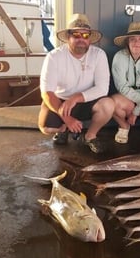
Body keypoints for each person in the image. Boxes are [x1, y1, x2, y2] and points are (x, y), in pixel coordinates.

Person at [38, 13, 114, 154]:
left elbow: (103, 89)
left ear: (90, 39)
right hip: (62, 101)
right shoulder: (54, 57)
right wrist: (66, 118)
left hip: (87, 100)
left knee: (108, 105)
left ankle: (90, 136)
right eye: (76, 35)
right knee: (46, 127)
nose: (81, 39)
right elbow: (47, 91)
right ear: (68, 37)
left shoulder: (99, 55)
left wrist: (76, 98)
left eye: (85, 36)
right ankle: (63, 130)